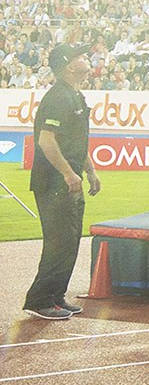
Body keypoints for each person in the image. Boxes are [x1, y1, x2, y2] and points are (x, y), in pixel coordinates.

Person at [23, 44, 101, 320]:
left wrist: (90, 170)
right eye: (81, 56)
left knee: (69, 241)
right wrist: (69, 173)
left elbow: (75, 141)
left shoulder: (75, 96)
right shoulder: (58, 97)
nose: (86, 58)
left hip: (67, 181)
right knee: (58, 241)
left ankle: (56, 296)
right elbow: (47, 140)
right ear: (68, 65)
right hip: (54, 183)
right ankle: (40, 299)